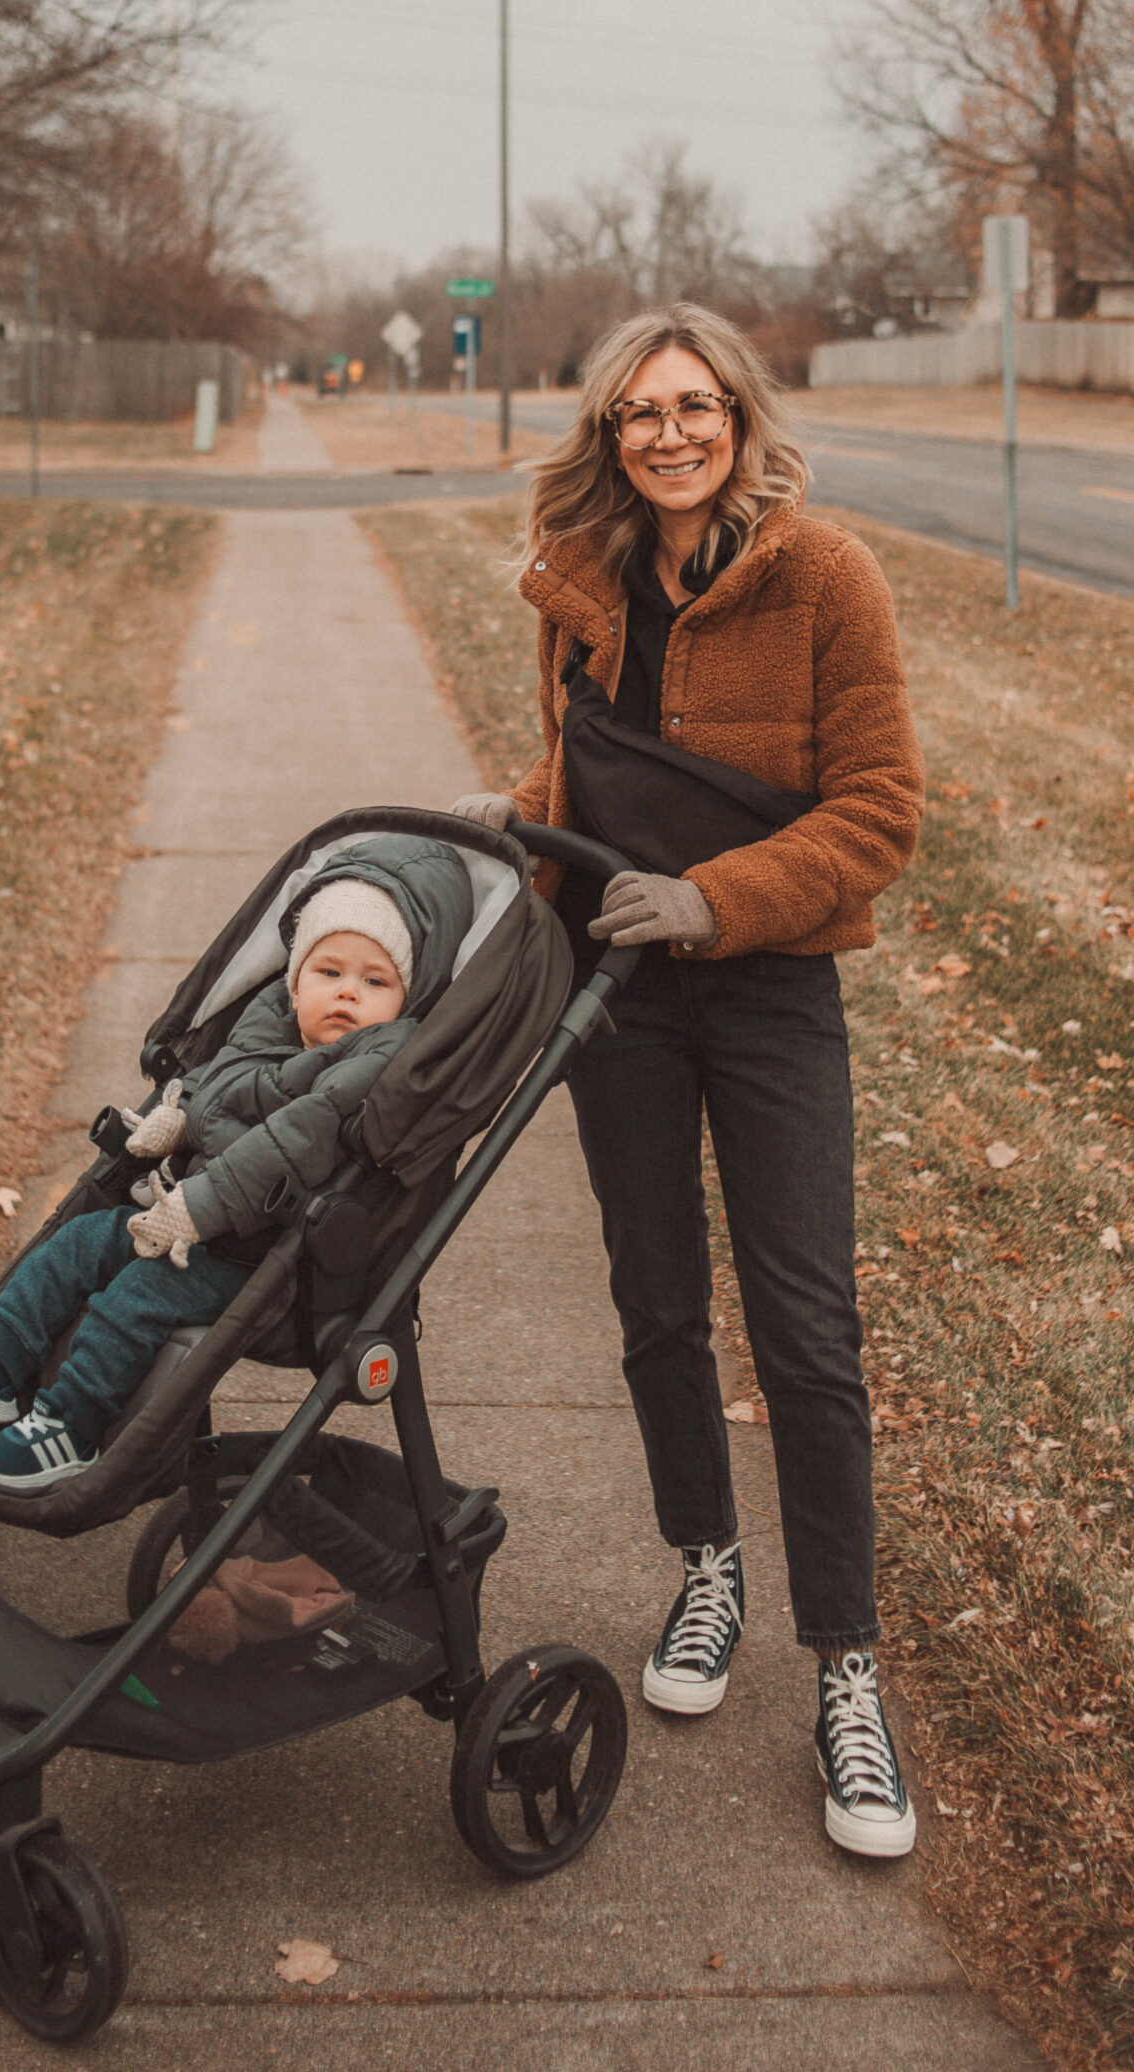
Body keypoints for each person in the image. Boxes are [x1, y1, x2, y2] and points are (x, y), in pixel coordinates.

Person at [451, 303, 924, 1860]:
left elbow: (878, 811)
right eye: (640, 412)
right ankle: (707, 1567)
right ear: (610, 431)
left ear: (740, 416)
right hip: (626, 1000)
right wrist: (520, 818)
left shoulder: (824, 582)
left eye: (695, 406)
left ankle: (847, 1675)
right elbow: (587, 772)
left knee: (804, 1331)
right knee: (656, 1297)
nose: (669, 433)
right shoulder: (583, 583)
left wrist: (719, 901)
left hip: (770, 993)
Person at [0, 837, 472, 1494]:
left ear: (410, 993)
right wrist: (178, 1109)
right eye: (328, 972)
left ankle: (70, 1426)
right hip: (186, 1217)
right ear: (295, 975)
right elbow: (220, 1074)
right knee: (79, 1241)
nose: (346, 995)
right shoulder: (273, 1016)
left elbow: (293, 1139)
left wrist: (199, 1205)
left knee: (136, 1295)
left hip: (264, 1259)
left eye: (376, 981)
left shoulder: (377, 1060)